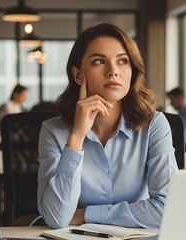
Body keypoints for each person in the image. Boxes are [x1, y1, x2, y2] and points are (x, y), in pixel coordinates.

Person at [37, 23, 178, 229]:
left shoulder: (155, 125)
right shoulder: (53, 131)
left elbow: (167, 208)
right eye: (99, 61)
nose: (113, 71)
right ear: (78, 75)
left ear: (132, 70)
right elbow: (56, 218)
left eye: (122, 61)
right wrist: (76, 137)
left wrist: (87, 214)